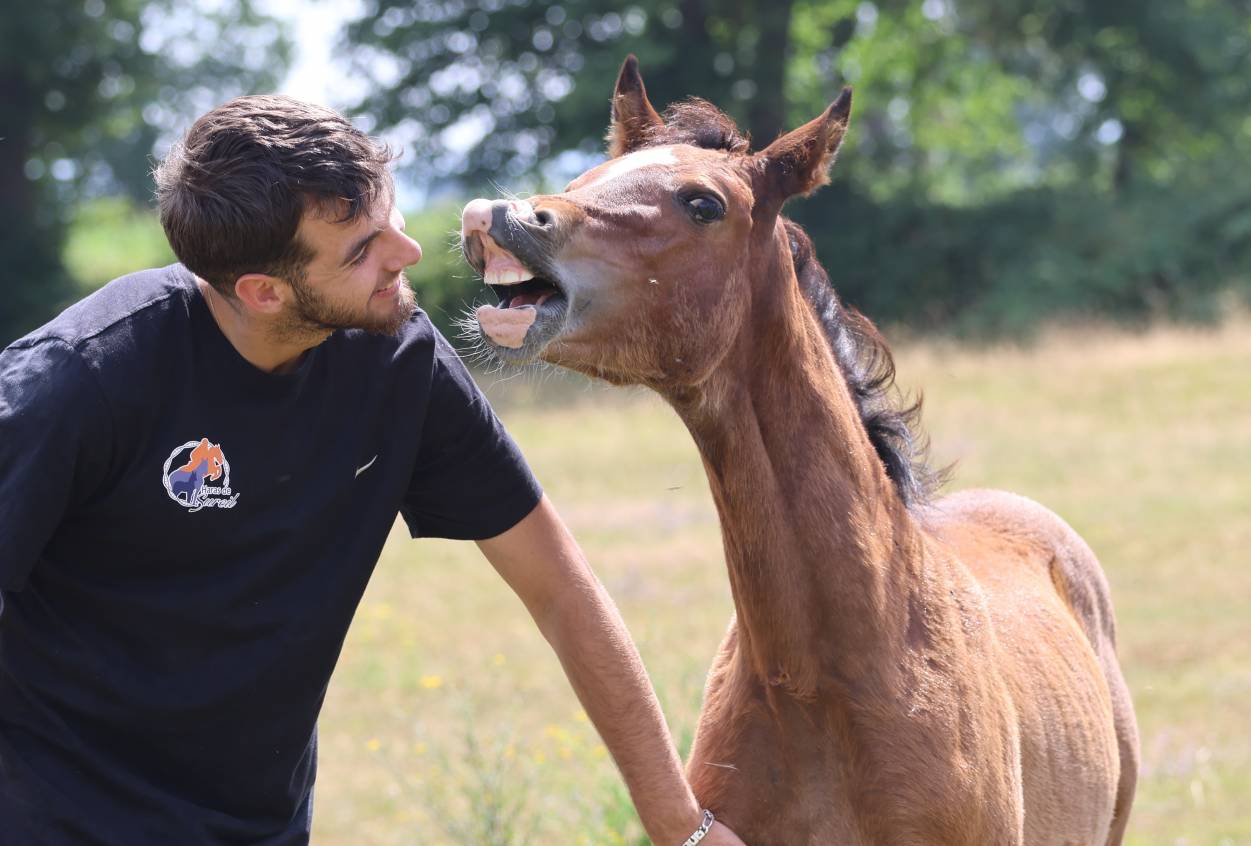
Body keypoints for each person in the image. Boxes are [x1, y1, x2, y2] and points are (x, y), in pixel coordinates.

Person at [0, 95, 745, 846]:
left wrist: (681, 827)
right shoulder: (82, 379)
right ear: (264, 293)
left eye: (388, 218)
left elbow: (559, 589)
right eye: (361, 250)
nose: (408, 252)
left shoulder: (397, 360)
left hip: (259, 826)